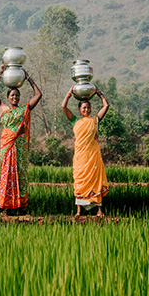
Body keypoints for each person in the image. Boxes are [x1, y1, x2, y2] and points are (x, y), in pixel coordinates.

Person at [0, 64, 43, 214]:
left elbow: (38, 95)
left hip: (19, 149)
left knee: (20, 175)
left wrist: (28, 78)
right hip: (7, 148)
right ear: (7, 98)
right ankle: (6, 207)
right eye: (12, 95)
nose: (15, 97)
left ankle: (21, 207)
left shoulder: (23, 109)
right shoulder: (3, 110)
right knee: (6, 175)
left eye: (17, 95)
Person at [61, 87, 110, 216]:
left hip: (93, 155)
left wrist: (99, 93)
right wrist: (69, 93)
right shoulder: (75, 121)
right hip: (80, 157)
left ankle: (99, 210)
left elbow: (106, 106)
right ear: (79, 109)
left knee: (95, 180)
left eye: (88, 108)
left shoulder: (94, 120)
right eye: (84, 108)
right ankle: (79, 211)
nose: (86, 110)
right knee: (80, 181)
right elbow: (63, 107)